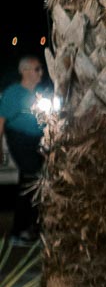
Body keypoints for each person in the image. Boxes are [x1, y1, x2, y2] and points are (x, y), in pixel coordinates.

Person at [0, 55, 47, 246]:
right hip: (19, 138)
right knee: (30, 179)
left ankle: (30, 228)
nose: (40, 73)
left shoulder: (39, 93)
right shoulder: (13, 93)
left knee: (32, 181)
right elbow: (1, 121)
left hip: (36, 140)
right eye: (37, 69)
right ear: (25, 71)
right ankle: (19, 231)